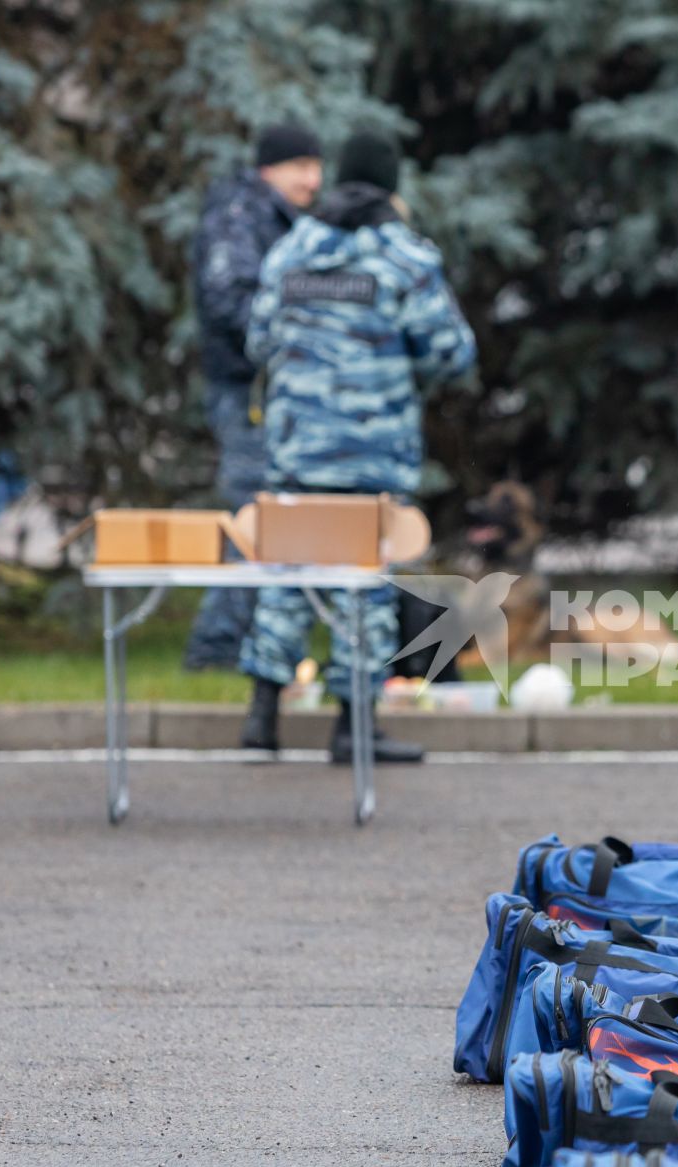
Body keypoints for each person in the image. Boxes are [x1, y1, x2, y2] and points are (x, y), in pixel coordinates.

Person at [237, 132, 478, 763]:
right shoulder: (403, 255)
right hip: (372, 452)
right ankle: (354, 729)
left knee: (287, 571)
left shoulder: (294, 248)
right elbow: (453, 352)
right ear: (391, 187)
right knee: (365, 582)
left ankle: (261, 719)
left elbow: (257, 341)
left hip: (297, 449)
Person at [185, 124, 325, 671]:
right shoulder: (241, 216)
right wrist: (291, 335)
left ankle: (245, 645)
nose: (312, 180)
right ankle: (216, 648)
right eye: (300, 167)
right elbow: (230, 300)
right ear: (270, 169)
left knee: (269, 514)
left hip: (270, 388)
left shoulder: (280, 219)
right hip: (249, 390)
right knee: (255, 516)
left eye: (316, 167)